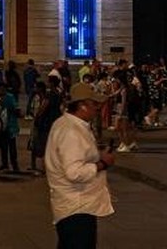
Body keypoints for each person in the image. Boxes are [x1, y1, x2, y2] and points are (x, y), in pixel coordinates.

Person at [44, 81, 115, 247]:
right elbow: (74, 172)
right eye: (94, 104)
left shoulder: (65, 123)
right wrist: (103, 163)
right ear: (82, 105)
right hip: (77, 207)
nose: (97, 108)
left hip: (74, 205)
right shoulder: (72, 131)